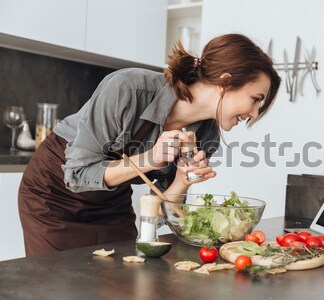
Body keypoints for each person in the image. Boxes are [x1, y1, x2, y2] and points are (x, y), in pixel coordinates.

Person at [18, 33, 281, 256]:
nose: (254, 114)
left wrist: (181, 181)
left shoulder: (206, 136)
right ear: (225, 83)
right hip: (53, 195)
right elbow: (76, 175)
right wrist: (149, 159)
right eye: (255, 99)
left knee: (121, 279)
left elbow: (162, 212)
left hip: (111, 203)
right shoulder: (128, 89)